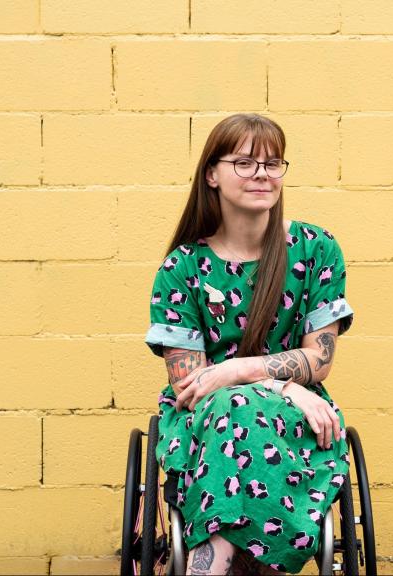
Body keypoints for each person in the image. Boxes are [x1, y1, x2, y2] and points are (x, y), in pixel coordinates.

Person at [144, 113, 355, 575]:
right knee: (229, 408)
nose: (262, 173)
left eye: (273, 163)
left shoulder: (316, 249)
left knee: (237, 399)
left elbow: (320, 358)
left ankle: (210, 565)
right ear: (212, 175)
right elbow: (191, 387)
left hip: (299, 424)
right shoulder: (183, 268)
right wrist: (281, 385)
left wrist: (240, 371)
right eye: (244, 162)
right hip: (205, 424)